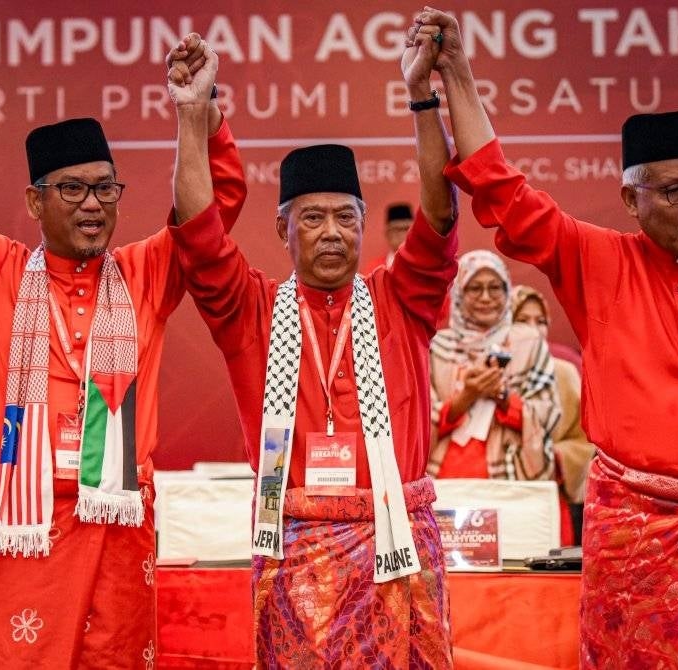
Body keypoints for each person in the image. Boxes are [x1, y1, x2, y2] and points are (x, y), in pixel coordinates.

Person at [0, 27, 246, 668]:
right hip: (19, 525)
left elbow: (208, 220)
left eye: (106, 189)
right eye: (73, 189)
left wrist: (201, 115)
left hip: (116, 521)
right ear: (35, 200)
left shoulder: (145, 272)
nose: (92, 205)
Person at [421, 7, 678, 666]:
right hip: (638, 534)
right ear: (632, 200)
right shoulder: (599, 261)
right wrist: (456, 71)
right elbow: (502, 191)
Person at [169, 22, 457, 668]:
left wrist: (422, 102)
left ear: (362, 224)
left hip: (395, 547)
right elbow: (198, 232)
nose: (332, 234)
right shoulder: (254, 311)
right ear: (283, 228)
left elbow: (440, 216)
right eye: (313, 218)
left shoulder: (400, 299)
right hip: (293, 551)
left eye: (345, 218)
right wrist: (193, 115)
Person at [427, 252, 559, 482]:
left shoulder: (529, 343)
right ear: (458, 294)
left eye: (495, 287)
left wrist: (502, 395)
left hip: (511, 478)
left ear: (508, 291)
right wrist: (466, 397)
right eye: (475, 288)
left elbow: (549, 416)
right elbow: (416, 424)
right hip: (445, 478)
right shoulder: (437, 347)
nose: (486, 297)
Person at [512, 285, 594, 543]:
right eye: (522, 320)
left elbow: (584, 439)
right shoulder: (490, 371)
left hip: (549, 495)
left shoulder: (564, 372)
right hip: (501, 493)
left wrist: (551, 458)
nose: (533, 329)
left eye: (540, 321)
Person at [364, 202, 414, 271]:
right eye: (397, 230)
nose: (403, 235)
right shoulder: (373, 269)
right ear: (387, 234)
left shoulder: (424, 265)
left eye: (406, 229)